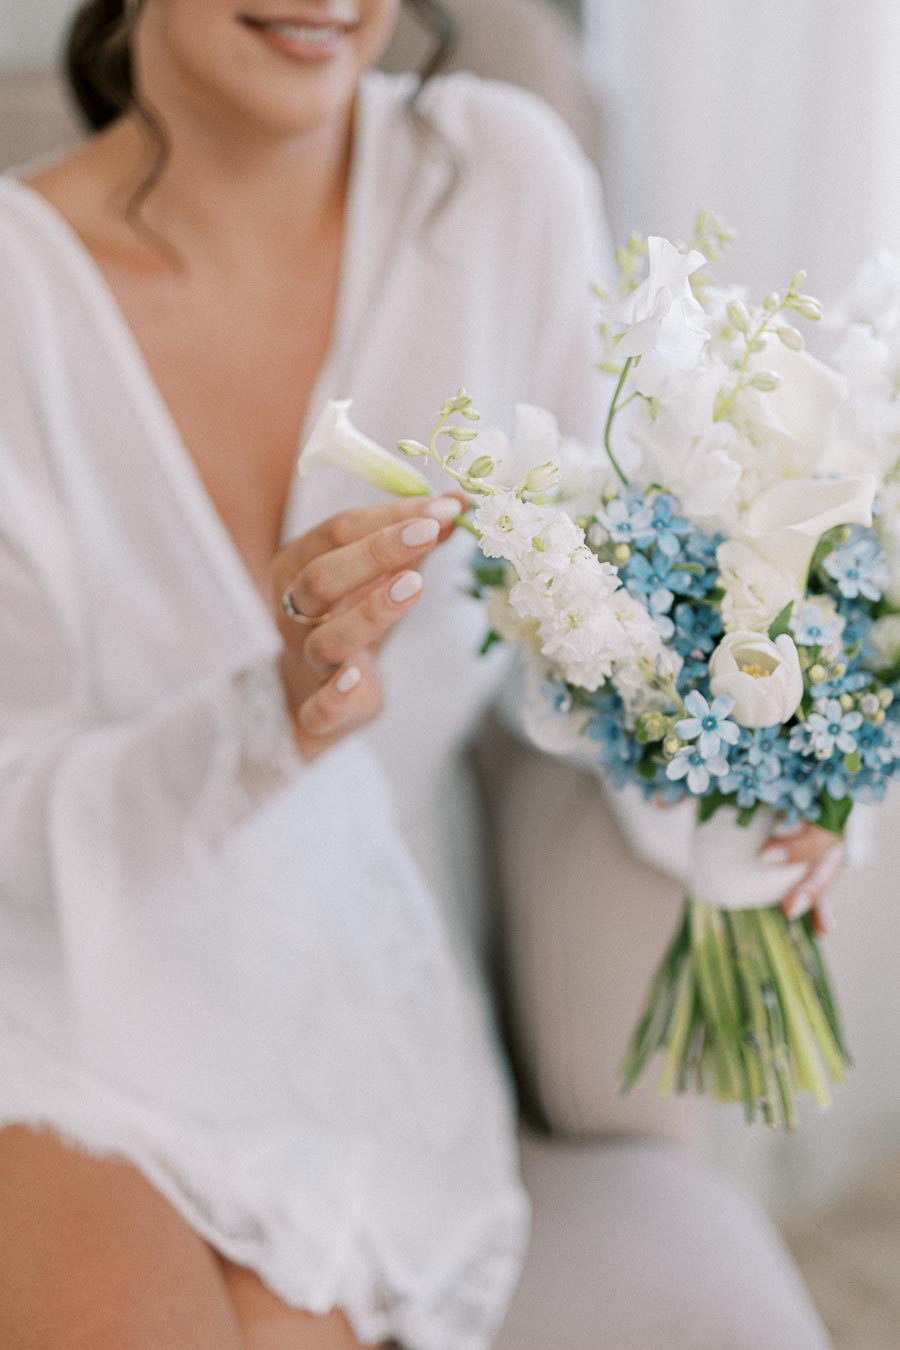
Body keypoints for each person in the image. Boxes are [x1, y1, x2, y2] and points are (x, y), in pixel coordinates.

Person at [0, 2, 842, 1347]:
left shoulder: (497, 184)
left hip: (349, 994)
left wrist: (758, 788)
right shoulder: (17, 297)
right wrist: (262, 717)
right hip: (61, 975)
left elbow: (607, 616)